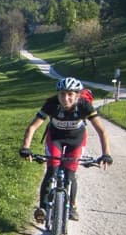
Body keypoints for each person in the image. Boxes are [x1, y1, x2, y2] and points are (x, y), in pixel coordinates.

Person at [20, 77, 112, 222]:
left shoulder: (84, 105)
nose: (66, 98)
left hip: (76, 141)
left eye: (70, 94)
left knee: (70, 174)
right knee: (51, 172)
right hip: (55, 139)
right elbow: (32, 127)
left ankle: (72, 206)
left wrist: (106, 154)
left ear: (77, 95)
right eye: (62, 94)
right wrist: (26, 147)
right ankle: (42, 208)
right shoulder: (51, 104)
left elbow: (102, 131)